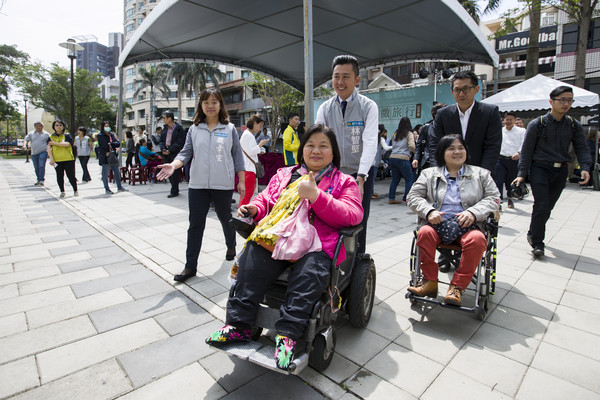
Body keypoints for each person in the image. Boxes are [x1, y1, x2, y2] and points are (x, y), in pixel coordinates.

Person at [206, 124, 363, 370]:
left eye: (324, 146)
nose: (316, 150)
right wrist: (255, 209)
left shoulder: (344, 182)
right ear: (302, 150)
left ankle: (287, 337)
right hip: (279, 239)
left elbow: (353, 214)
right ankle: (238, 326)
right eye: (310, 145)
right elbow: (266, 198)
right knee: (252, 256)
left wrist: (316, 196)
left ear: (334, 153)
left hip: (317, 245)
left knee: (308, 275)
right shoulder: (285, 174)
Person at [157, 88, 245, 282]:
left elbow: (237, 156)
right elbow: (186, 153)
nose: (210, 105)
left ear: (220, 104)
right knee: (195, 224)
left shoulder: (229, 129)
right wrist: (173, 165)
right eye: (206, 102)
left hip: (222, 184)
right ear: (201, 105)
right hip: (197, 185)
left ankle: (231, 245)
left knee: (225, 218)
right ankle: (190, 267)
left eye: (214, 102)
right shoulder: (194, 129)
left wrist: (242, 182)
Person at [407, 135, 500, 306]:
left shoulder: (481, 174)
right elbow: (412, 197)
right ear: (442, 153)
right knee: (424, 233)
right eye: (451, 148)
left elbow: (494, 198)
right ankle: (429, 282)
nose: (457, 151)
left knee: (477, 240)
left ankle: (457, 287)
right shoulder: (428, 174)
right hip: (437, 224)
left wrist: (473, 212)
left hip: (469, 225)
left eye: (461, 148)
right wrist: (429, 212)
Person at [512, 86, 591, 257]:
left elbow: (582, 148)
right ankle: (538, 242)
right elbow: (527, 151)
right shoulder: (537, 123)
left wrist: (585, 167)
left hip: (561, 170)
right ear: (551, 102)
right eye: (562, 100)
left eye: (569, 100)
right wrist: (521, 174)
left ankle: (533, 232)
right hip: (540, 168)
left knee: (548, 207)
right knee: (541, 205)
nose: (566, 104)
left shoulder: (573, 125)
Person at [315, 54, 379, 255]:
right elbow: (318, 141)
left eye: (346, 76)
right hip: (333, 173)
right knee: (329, 216)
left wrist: (361, 176)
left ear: (357, 79)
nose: (340, 82)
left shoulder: (368, 106)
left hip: (361, 173)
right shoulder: (325, 108)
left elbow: (370, 142)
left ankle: (358, 259)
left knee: (358, 218)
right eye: (336, 77)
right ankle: (332, 258)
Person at [429, 71, 502, 173]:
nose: (461, 94)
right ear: (452, 92)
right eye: (457, 90)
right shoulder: (443, 114)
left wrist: (483, 175)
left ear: (476, 89)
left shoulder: (489, 112)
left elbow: (493, 146)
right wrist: (438, 171)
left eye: (466, 89)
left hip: (478, 173)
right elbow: (435, 146)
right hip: (448, 174)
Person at [494, 112, 525, 209]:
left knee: (511, 181)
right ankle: (498, 202)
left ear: (515, 121)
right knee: (498, 180)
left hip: (514, 159)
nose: (508, 121)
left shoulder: (521, 131)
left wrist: (519, 153)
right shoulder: (500, 131)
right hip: (501, 159)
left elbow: (524, 144)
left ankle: (510, 198)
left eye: (510, 119)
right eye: (506, 119)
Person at [240, 114, 270, 206]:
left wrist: (258, 150)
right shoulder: (249, 135)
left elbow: (249, 151)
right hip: (249, 168)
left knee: (246, 194)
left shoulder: (247, 134)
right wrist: (260, 144)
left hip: (247, 167)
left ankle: (241, 213)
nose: (260, 129)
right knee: (247, 194)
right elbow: (251, 151)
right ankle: (242, 214)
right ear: (254, 123)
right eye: (260, 126)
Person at [412, 102, 447, 174]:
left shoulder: (448, 127)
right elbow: (419, 144)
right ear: (435, 115)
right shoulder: (427, 127)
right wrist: (416, 158)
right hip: (428, 161)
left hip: (444, 161)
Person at [47, 120, 78, 198]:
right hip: (57, 159)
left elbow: (67, 144)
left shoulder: (67, 135)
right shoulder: (51, 137)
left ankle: (75, 190)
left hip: (68, 159)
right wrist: (51, 159)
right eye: (57, 125)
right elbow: (48, 147)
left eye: (60, 125)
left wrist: (54, 143)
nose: (58, 127)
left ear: (63, 126)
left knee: (71, 175)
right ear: (54, 127)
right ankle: (62, 191)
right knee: (60, 176)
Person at [388, 117, 415, 204]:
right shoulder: (409, 133)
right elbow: (411, 145)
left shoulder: (396, 133)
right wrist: (416, 152)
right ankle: (407, 199)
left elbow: (392, 143)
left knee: (395, 179)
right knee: (409, 179)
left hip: (393, 157)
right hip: (403, 158)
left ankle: (391, 198)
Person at [159, 111, 186, 198]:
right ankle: (174, 188)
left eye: (164, 118)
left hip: (175, 153)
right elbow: (161, 141)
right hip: (166, 153)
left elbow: (180, 141)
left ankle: (174, 190)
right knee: (168, 170)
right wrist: (163, 148)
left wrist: (170, 150)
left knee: (175, 172)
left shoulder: (179, 129)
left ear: (170, 118)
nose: (163, 120)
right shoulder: (165, 129)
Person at [97, 121, 128, 195]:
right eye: (106, 126)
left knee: (117, 172)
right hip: (105, 156)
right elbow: (104, 145)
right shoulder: (100, 135)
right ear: (103, 127)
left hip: (113, 156)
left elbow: (118, 143)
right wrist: (111, 144)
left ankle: (119, 187)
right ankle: (107, 189)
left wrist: (111, 144)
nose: (107, 127)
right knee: (105, 174)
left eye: (108, 126)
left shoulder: (111, 134)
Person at [23, 121, 50, 186]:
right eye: (37, 126)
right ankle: (38, 179)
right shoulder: (31, 133)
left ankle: (41, 180)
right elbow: (26, 140)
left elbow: (50, 142)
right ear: (35, 126)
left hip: (43, 151)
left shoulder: (46, 134)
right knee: (36, 167)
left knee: (41, 166)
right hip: (34, 153)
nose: (38, 127)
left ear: (42, 126)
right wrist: (24, 145)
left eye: (40, 125)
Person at [371, 124, 392, 199]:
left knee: (372, 177)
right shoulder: (381, 139)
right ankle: (370, 194)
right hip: (376, 160)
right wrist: (396, 146)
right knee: (372, 177)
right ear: (383, 132)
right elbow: (386, 148)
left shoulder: (373, 137)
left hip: (372, 159)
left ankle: (371, 192)